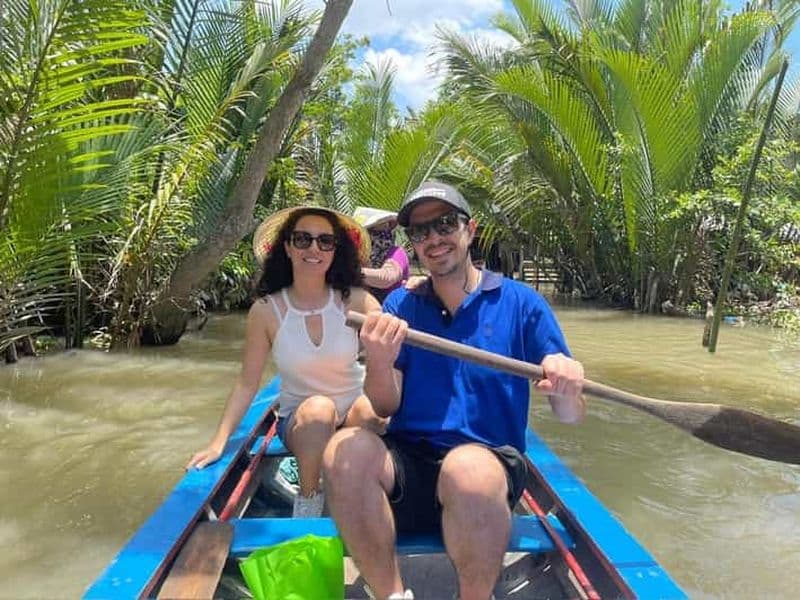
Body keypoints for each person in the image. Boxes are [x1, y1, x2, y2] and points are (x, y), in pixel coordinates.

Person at [322, 182, 586, 600]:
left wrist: (568, 381)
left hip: (488, 466)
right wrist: (378, 358)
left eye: (444, 224)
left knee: (468, 469)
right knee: (343, 451)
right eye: (421, 232)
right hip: (413, 459)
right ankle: (392, 595)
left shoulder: (522, 303)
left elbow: (570, 415)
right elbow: (385, 404)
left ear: (470, 229)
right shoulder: (400, 309)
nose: (434, 239)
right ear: (413, 245)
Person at [187, 206, 384, 518]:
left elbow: (391, 359)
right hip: (303, 421)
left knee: (376, 413)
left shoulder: (357, 301)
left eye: (325, 241)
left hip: (353, 410)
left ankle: (359, 489)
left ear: (335, 250)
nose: (314, 249)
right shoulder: (266, 312)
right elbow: (247, 383)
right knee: (319, 410)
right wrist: (217, 442)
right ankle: (308, 501)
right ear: (288, 247)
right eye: (303, 239)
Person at [354, 207, 410, 304]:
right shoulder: (355, 255)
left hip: (394, 312)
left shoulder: (396, 252)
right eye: (380, 230)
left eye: (387, 229)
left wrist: (350, 272)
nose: (386, 235)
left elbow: (387, 278)